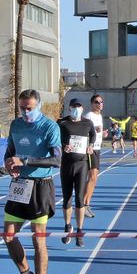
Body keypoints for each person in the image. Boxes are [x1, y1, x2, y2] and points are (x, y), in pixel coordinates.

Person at [3, 89, 61, 274]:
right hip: (19, 186)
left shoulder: (49, 127)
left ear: (39, 107)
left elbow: (57, 160)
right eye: (22, 108)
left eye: (30, 108)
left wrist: (26, 161)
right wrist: (9, 165)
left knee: (39, 240)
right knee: (8, 235)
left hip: (40, 186)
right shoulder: (16, 125)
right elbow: (9, 152)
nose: (26, 112)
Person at [59, 99, 95, 246]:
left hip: (82, 164)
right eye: (74, 106)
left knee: (79, 199)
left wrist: (91, 145)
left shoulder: (87, 123)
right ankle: (68, 227)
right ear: (69, 108)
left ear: (82, 108)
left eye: (79, 106)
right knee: (67, 198)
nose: (76, 109)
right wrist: (63, 146)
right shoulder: (62, 123)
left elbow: (93, 135)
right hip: (66, 164)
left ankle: (80, 232)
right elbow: (55, 139)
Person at [82, 94, 106, 217]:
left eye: (101, 102)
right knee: (92, 177)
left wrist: (103, 133)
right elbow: (82, 132)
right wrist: (93, 130)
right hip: (90, 149)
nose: (100, 104)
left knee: (94, 178)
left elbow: (97, 132)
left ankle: (86, 204)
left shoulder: (100, 116)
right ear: (92, 103)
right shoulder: (88, 116)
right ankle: (84, 205)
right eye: (97, 102)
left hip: (97, 148)